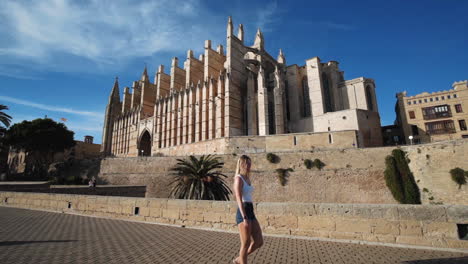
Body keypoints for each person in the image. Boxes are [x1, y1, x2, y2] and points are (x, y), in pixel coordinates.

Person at [233, 155, 263, 264]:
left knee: (259, 241)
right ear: (241, 164)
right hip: (243, 211)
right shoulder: (238, 178)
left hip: (250, 210)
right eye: (246, 163)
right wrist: (244, 216)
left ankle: (239, 259)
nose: (248, 165)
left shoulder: (247, 178)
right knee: (245, 243)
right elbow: (238, 198)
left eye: (249, 163)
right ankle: (242, 260)